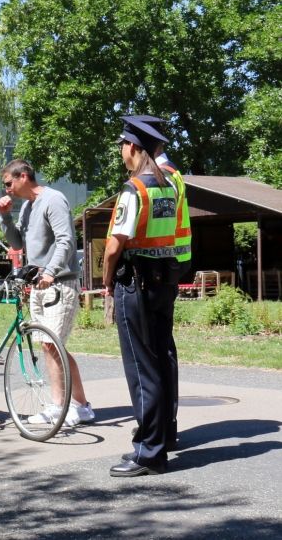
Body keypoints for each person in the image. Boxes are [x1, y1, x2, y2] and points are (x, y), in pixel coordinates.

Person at [102, 118, 180, 477]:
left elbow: (114, 244)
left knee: (140, 367)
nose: (121, 152)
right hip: (164, 279)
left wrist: (107, 280)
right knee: (160, 362)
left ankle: (148, 453)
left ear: (132, 147)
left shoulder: (135, 189)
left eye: (122, 145)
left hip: (135, 282)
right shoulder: (169, 186)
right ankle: (160, 441)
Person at [0, 159, 94, 428]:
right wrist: (4, 217)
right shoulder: (28, 206)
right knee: (50, 346)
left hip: (59, 282)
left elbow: (66, 240)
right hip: (39, 285)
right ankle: (78, 406)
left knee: (52, 345)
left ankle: (63, 407)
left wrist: (50, 271)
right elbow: (18, 243)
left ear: (23, 176)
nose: (6, 189)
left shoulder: (53, 199)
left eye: (8, 183)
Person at [120, 115, 191, 450]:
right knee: (163, 353)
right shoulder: (173, 176)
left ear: (136, 145)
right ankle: (165, 427)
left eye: (124, 144)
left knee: (144, 359)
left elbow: (124, 238)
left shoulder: (146, 183)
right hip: (170, 269)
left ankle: (152, 437)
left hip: (145, 273)